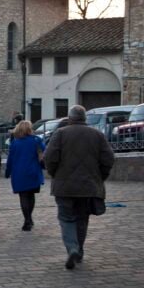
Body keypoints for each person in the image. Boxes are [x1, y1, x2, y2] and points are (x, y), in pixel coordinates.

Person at [43, 105, 114, 270]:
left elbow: (49, 158)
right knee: (82, 219)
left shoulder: (60, 134)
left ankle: (72, 248)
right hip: (88, 186)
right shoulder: (97, 135)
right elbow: (109, 158)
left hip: (64, 187)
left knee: (66, 218)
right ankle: (79, 250)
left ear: (70, 118)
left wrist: (55, 174)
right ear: (84, 119)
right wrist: (100, 176)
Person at [5, 120, 46, 231]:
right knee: (31, 195)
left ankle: (27, 219)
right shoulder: (36, 140)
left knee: (23, 196)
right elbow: (45, 152)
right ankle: (29, 218)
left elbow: (10, 159)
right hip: (33, 171)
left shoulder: (15, 143)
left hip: (19, 173)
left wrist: (7, 172)